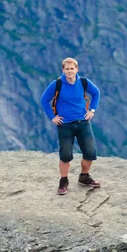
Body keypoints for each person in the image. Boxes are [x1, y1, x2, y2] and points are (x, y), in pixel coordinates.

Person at [40, 57, 101, 195]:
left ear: (76, 69)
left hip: (83, 123)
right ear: (63, 70)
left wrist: (92, 110)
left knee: (90, 152)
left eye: (72, 68)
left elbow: (96, 93)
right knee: (66, 155)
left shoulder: (84, 82)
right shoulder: (57, 84)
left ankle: (84, 177)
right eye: (67, 69)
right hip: (65, 124)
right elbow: (44, 100)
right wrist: (53, 117)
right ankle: (63, 181)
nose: (69, 71)